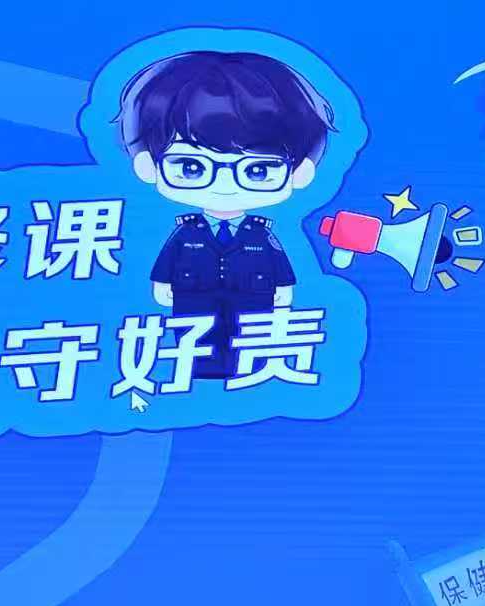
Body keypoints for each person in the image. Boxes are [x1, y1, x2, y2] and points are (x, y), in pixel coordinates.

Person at [117, 49, 335, 377]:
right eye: (191, 167)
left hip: (252, 299)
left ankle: (249, 373)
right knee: (194, 343)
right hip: (193, 298)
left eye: (258, 170)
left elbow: (278, 262)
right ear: (149, 166)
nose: (224, 186)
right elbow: (168, 258)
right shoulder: (187, 230)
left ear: (299, 173)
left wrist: (284, 288)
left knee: (249, 345)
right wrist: (161, 283)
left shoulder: (260, 231)